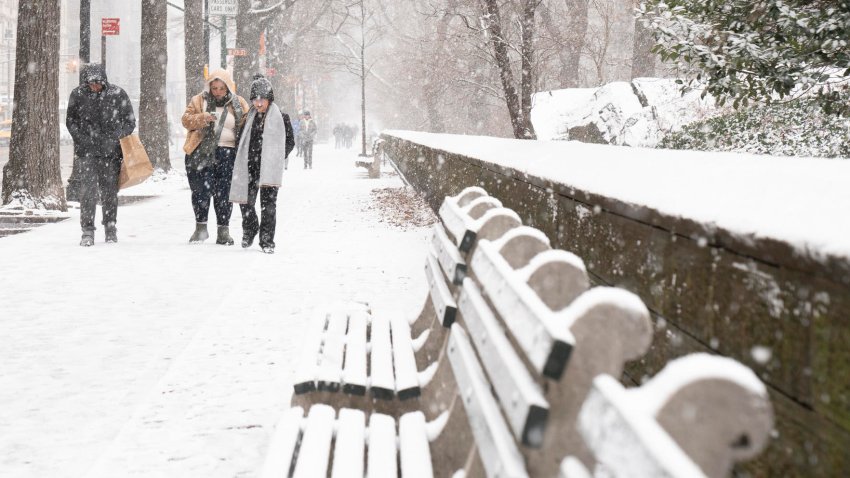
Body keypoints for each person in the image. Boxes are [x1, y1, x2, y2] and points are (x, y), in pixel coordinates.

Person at [66, 63, 136, 247]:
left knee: (109, 193)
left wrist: (116, 137)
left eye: (97, 83)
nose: (94, 86)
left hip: (111, 154)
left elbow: (130, 121)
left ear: (104, 81)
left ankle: (110, 228)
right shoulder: (78, 95)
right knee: (87, 193)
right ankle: (87, 231)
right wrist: (81, 139)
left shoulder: (117, 94)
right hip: (87, 152)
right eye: (91, 83)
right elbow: (71, 121)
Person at [181, 68, 249, 245]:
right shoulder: (198, 100)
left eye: (221, 88)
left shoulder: (239, 102)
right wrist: (203, 117)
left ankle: (223, 231)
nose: (217, 92)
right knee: (200, 192)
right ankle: (201, 229)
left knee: (224, 193)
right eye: (214, 88)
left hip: (229, 154)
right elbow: (186, 120)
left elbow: (246, 125)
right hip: (202, 152)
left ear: (228, 88)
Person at [230, 74, 294, 254]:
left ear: (269, 99)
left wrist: (276, 157)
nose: (258, 104)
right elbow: (239, 139)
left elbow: (290, 141)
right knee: (246, 202)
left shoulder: (281, 118)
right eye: (255, 100)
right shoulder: (247, 117)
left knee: (269, 206)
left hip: (269, 168)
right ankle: (250, 229)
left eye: (262, 100)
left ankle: (267, 241)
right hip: (249, 166)